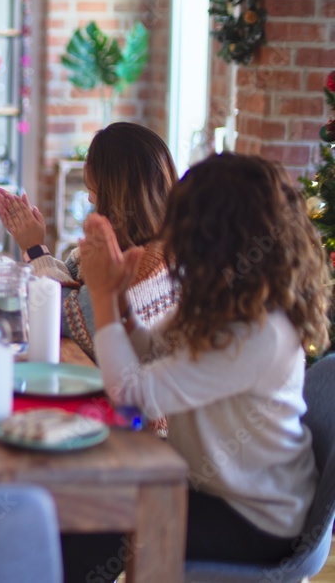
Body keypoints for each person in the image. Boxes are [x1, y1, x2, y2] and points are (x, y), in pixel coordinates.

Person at [63, 152, 329, 580]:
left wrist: (101, 298)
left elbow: (134, 396)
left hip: (255, 515)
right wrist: (119, 304)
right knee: (84, 508)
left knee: (104, 520)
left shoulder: (260, 331)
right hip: (209, 488)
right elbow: (153, 351)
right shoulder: (222, 296)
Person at [0, 122, 177, 360]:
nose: (90, 199)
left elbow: (63, 315)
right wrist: (36, 245)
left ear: (117, 191)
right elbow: (69, 283)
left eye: (95, 192)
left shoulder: (150, 264)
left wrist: (34, 249)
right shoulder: (133, 242)